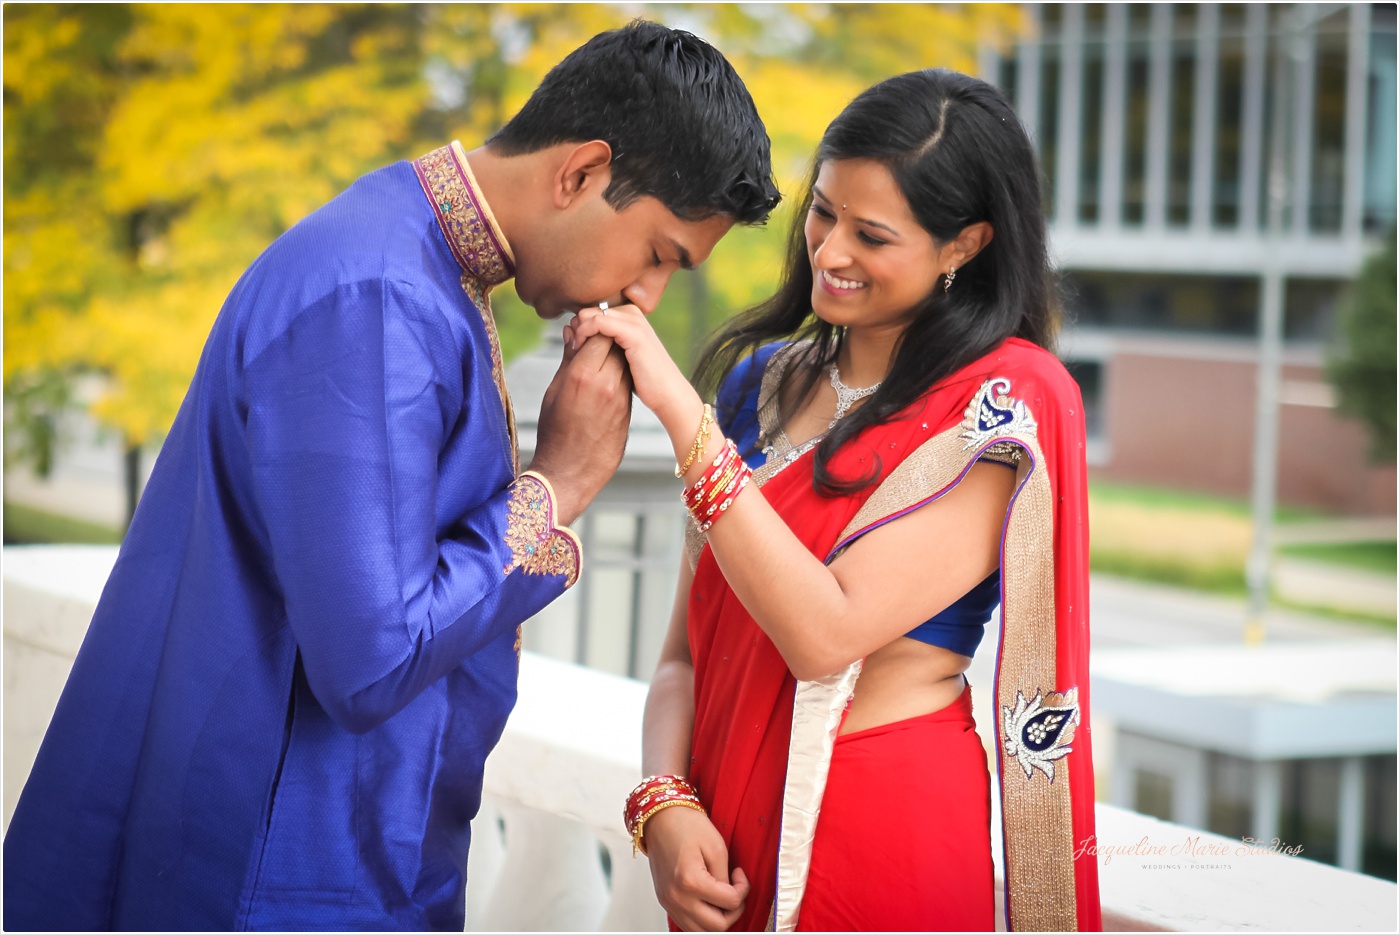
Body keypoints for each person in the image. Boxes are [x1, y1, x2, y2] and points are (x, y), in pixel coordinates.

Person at [2, 21, 779, 932]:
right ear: (581, 172)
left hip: (325, 839)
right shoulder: (377, 295)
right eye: (658, 256)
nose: (645, 297)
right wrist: (556, 486)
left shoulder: (419, 263)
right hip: (272, 866)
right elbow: (369, 660)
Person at [571, 69, 1101, 931]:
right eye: (823, 211)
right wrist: (662, 799)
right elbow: (684, 655)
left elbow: (826, 633)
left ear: (963, 243)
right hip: (724, 831)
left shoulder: (1002, 404)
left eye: (872, 234)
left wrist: (675, 408)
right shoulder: (758, 386)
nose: (829, 251)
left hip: (882, 833)